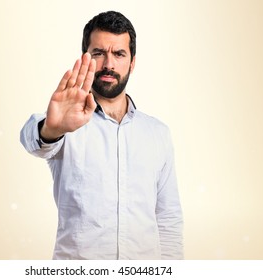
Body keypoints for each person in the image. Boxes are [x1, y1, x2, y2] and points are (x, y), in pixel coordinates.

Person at [20, 11, 183, 260]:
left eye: (119, 54)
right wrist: (52, 129)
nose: (108, 64)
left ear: (132, 61)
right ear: (85, 58)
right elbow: (35, 141)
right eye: (99, 53)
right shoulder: (67, 125)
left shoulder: (157, 134)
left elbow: (168, 217)